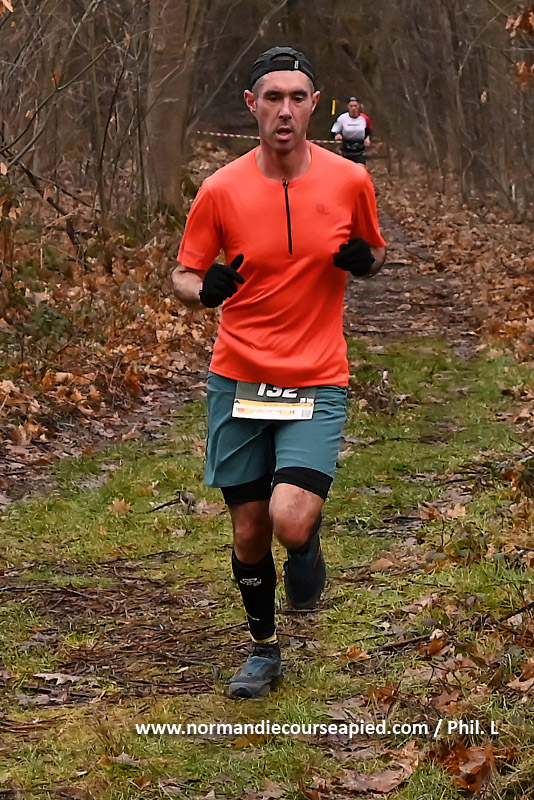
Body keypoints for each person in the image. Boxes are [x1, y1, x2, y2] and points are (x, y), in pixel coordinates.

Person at [172, 46, 386, 699]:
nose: (285, 110)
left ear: (315, 105)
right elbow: (182, 275)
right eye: (272, 98)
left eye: (297, 97)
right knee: (248, 527)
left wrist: (364, 261)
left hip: (316, 373)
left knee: (289, 519)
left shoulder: (350, 181)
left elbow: (375, 250)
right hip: (238, 375)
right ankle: (264, 650)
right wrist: (204, 289)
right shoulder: (221, 188)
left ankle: (307, 544)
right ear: (252, 106)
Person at [331, 95, 372, 165]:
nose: (353, 108)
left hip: (360, 150)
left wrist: (368, 138)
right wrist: (337, 134)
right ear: (348, 107)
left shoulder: (364, 118)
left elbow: (369, 131)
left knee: (360, 169)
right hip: (346, 149)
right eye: (351, 106)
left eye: (355, 106)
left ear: (359, 106)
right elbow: (334, 130)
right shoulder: (342, 118)